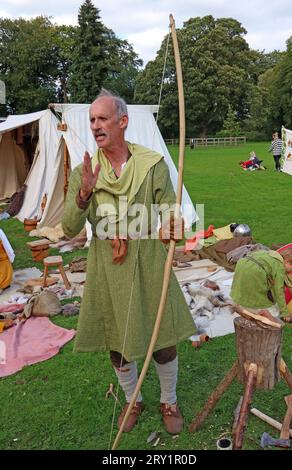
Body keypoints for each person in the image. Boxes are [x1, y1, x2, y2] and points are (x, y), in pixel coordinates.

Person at [62, 89, 196, 435]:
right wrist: (84, 193)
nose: (95, 126)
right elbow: (69, 227)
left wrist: (171, 224)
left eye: (102, 118)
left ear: (122, 122)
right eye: (92, 120)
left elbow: (168, 208)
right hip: (107, 265)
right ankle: (132, 400)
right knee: (117, 343)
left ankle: (169, 399)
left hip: (148, 258)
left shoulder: (151, 163)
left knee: (162, 338)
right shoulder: (85, 172)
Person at [230, 247, 292, 319]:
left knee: (244, 288)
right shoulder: (279, 267)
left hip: (242, 265)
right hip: (255, 274)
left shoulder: (268, 253)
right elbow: (278, 292)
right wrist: (284, 312)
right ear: (287, 261)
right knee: (273, 312)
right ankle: (251, 309)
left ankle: (240, 305)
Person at [0, 228, 15, 293]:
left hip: (2, 259)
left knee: (5, 269)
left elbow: (7, 246)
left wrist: (11, 257)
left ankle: (3, 284)